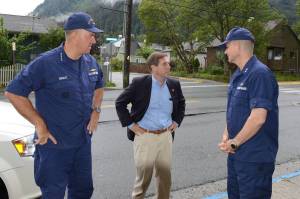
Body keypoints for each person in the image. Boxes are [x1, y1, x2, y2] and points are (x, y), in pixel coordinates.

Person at [5, 12, 104, 199]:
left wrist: (96, 111)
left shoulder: (91, 62)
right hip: (54, 148)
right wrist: (39, 124)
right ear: (74, 35)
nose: (94, 39)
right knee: (53, 194)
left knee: (83, 192)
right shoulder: (45, 63)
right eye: (90, 34)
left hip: (82, 144)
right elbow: (14, 92)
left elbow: (99, 85)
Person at [217, 27, 279, 199]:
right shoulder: (238, 75)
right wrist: (227, 133)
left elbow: (258, 118)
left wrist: (235, 141)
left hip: (254, 158)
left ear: (237, 46)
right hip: (236, 155)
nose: (225, 51)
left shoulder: (259, 74)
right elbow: (235, 110)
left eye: (227, 46)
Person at [115, 52, 185, 199]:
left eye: (168, 63)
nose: (169, 66)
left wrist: (176, 121)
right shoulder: (140, 83)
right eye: (164, 64)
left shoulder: (174, 84)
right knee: (144, 177)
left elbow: (182, 102)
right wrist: (131, 125)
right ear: (153, 67)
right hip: (145, 136)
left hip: (166, 136)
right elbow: (120, 103)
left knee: (165, 176)